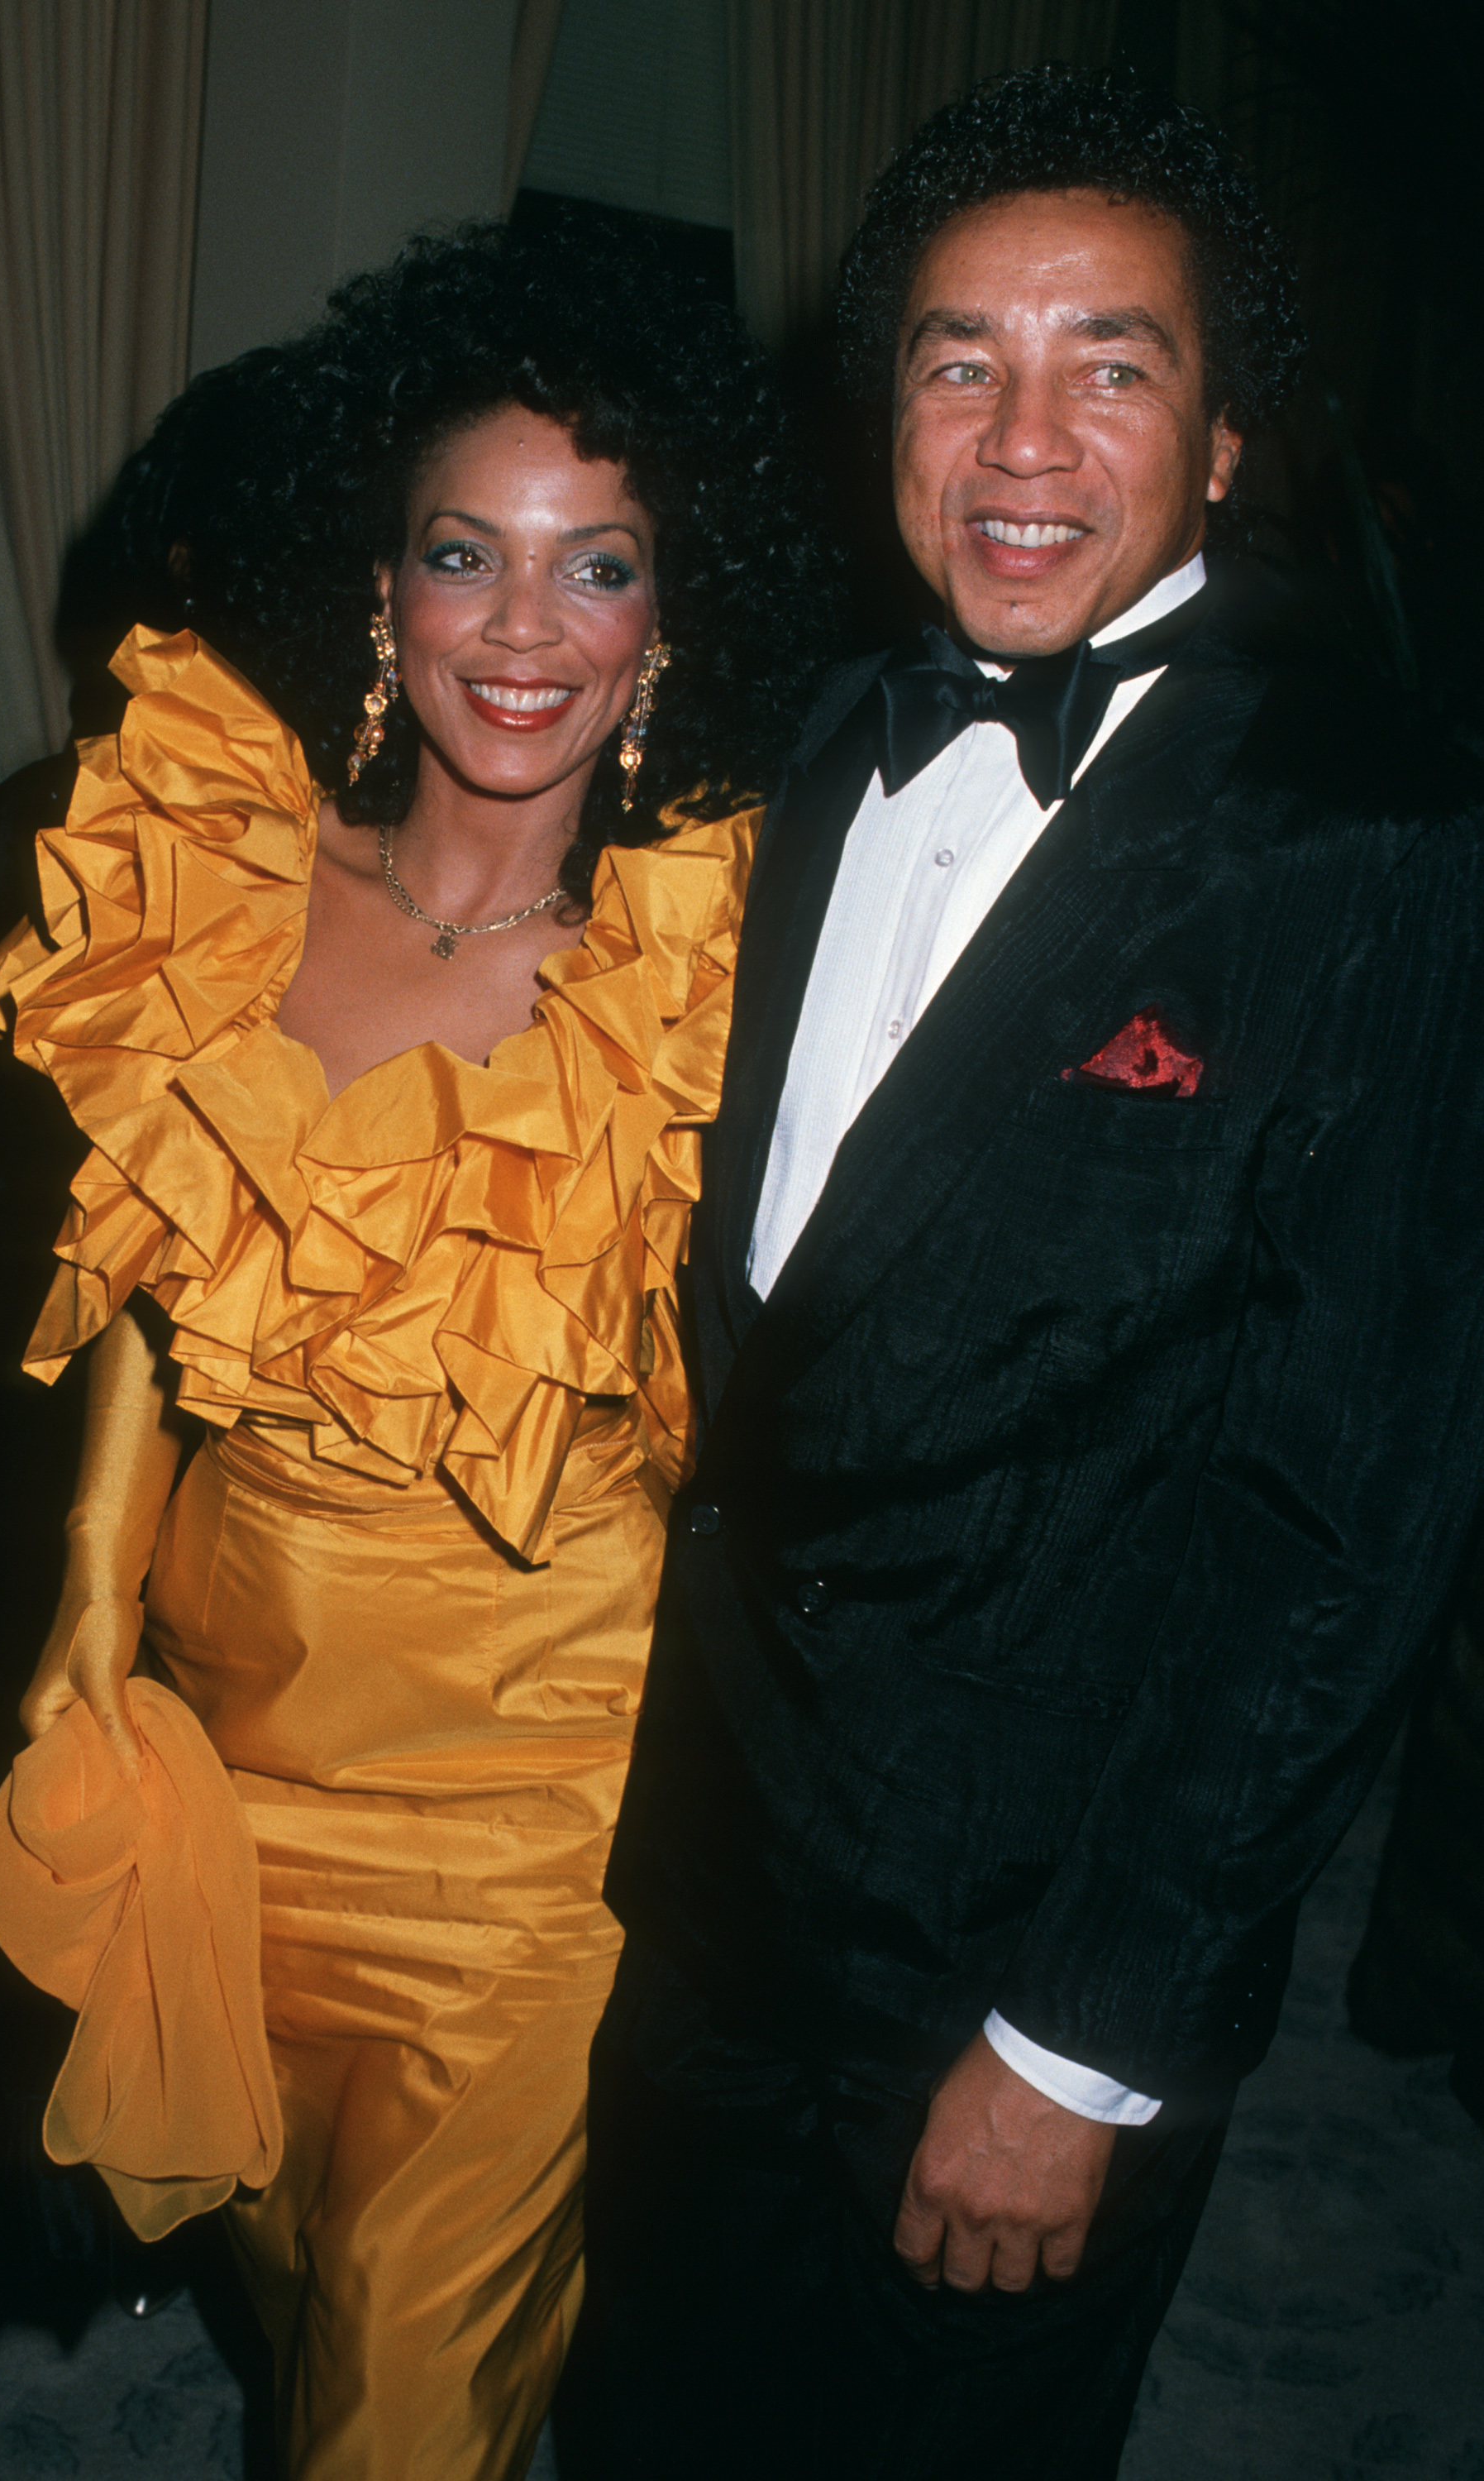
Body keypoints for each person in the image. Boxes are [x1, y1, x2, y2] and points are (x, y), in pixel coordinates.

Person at [553, 65, 1484, 2481]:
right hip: (709, 1878)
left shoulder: (1371, 847)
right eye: (959, 358)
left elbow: (1344, 1528)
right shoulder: (837, 733)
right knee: (649, 2414)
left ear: (1227, 435)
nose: (1019, 437)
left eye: (1112, 361)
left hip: (1016, 1959)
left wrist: (1088, 2046)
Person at [0, 209, 837, 2481]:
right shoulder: (222, 877)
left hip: (528, 1846)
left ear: (674, 619)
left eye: (600, 566)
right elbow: (145, 1312)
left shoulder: (726, 972)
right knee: (280, 2286)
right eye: (467, 555)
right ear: (379, 588)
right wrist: (81, 1644)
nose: (523, 629)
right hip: (228, 1792)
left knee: (403, 2412)